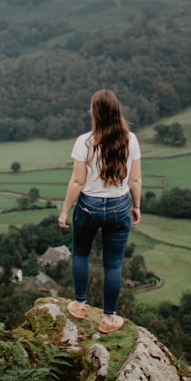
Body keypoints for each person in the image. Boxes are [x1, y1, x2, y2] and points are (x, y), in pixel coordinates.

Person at [58, 89, 142, 333]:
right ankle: (109, 319)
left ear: (94, 113)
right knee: (113, 264)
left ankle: (79, 305)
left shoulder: (84, 142)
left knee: (81, 253)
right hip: (119, 205)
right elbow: (135, 180)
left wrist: (65, 211)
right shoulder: (131, 140)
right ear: (117, 112)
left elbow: (77, 182)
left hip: (88, 206)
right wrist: (135, 205)